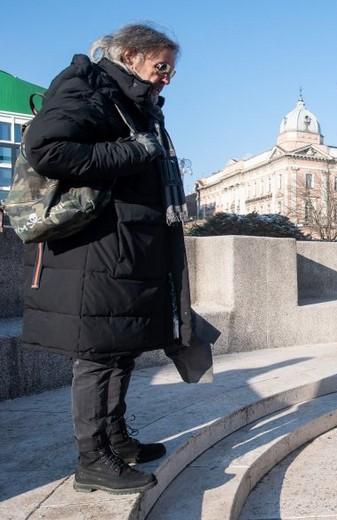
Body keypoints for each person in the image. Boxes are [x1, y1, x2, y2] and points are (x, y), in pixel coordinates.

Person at [22, 23, 193, 494]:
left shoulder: (133, 102)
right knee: (98, 357)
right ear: (131, 56)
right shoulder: (88, 86)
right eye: (161, 68)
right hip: (95, 252)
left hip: (127, 251)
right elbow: (46, 148)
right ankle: (92, 459)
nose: (166, 78)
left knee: (120, 349)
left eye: (171, 72)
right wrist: (130, 151)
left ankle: (116, 439)